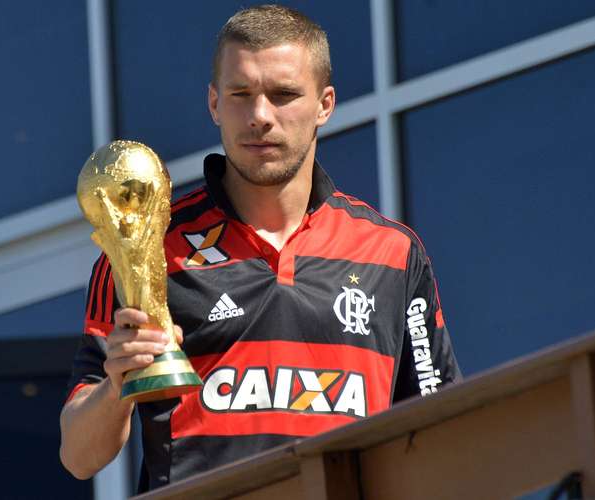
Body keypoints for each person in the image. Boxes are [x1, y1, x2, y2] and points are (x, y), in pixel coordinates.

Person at [60, 4, 461, 493]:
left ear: (325, 105)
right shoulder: (146, 247)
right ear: (214, 103)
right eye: (240, 94)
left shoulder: (393, 253)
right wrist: (118, 386)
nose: (260, 116)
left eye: (284, 94)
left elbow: (443, 432)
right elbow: (79, 456)